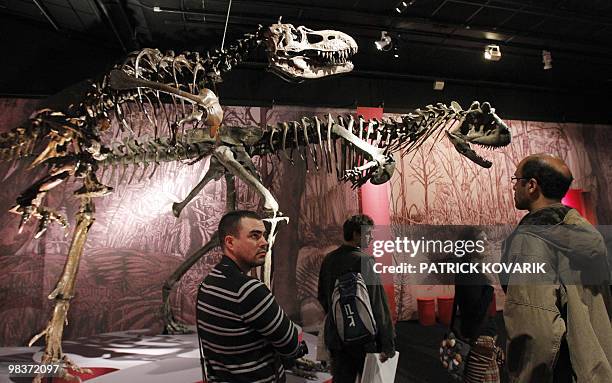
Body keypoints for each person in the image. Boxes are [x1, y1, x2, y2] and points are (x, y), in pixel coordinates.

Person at [502, 154, 612, 382]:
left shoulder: (531, 241)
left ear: (531, 185)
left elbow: (536, 330)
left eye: (516, 179)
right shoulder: (584, 234)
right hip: (596, 368)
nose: (513, 186)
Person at [197, 210, 303, 382]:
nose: (265, 242)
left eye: (264, 235)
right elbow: (291, 345)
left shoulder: (208, 283)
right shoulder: (249, 291)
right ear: (230, 242)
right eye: (255, 236)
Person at [317, 214, 395, 383]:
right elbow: (378, 303)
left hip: (337, 337)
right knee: (371, 379)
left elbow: (322, 296)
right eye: (368, 233)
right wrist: (387, 344)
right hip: (364, 339)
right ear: (355, 235)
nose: (372, 237)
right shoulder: (365, 261)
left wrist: (340, 318)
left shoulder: (329, 259)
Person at [454, 227, 500, 383]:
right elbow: (477, 312)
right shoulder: (471, 274)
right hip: (480, 340)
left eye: (487, 240)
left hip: (477, 337)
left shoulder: (466, 270)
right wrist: (489, 287)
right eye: (482, 241)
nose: (487, 244)